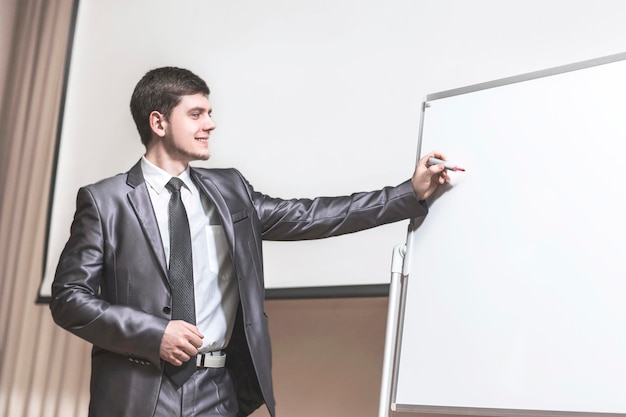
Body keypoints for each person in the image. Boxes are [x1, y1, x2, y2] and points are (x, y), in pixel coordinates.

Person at [50, 66, 450, 417]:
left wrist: (407, 194)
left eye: (209, 113)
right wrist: (154, 334)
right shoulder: (105, 202)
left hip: (217, 391)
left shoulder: (230, 190)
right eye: (196, 114)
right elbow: (69, 297)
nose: (210, 124)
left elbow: (311, 216)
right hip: (137, 393)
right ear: (159, 123)